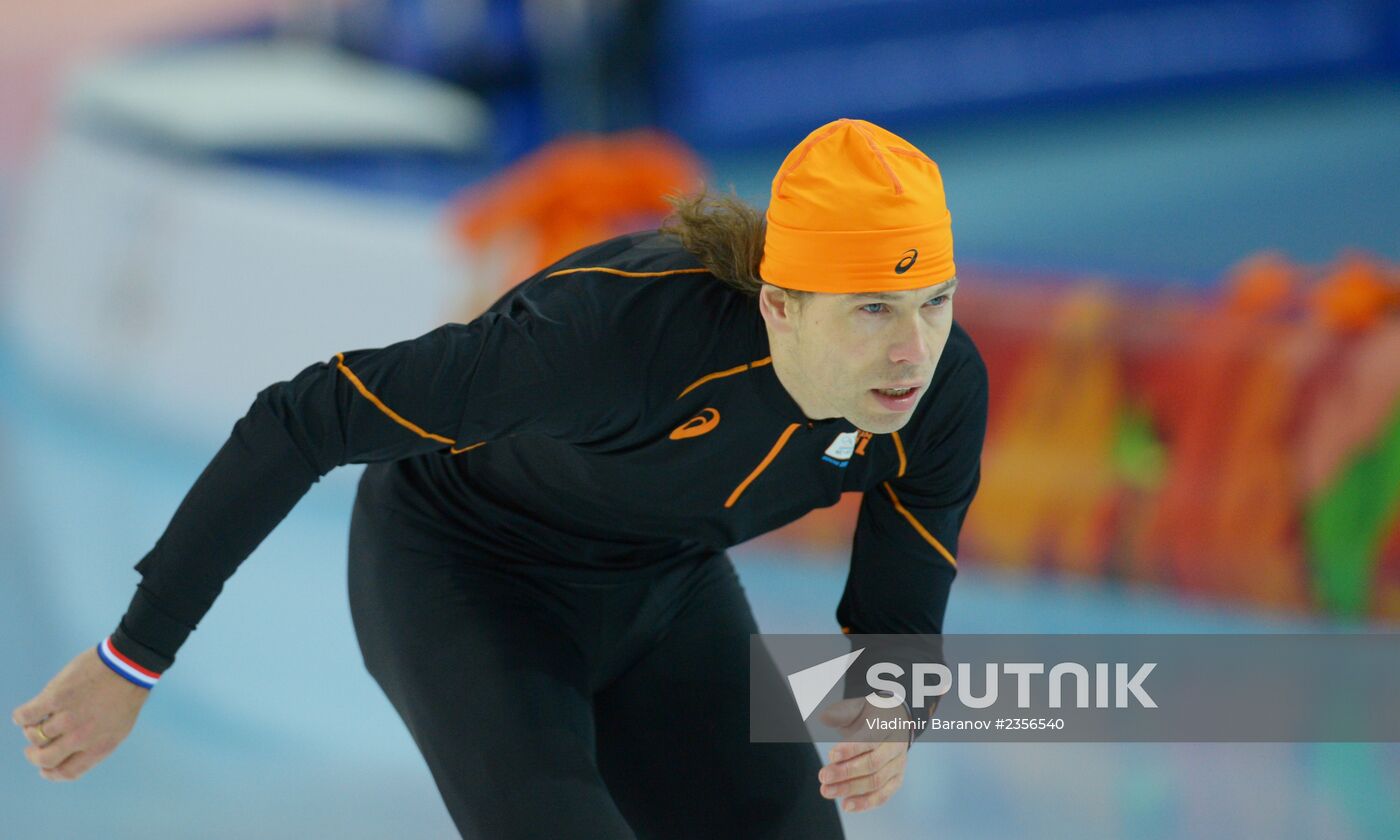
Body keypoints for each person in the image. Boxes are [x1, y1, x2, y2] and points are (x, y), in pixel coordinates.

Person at [13, 118, 988, 839]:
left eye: (931, 302)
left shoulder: (938, 389)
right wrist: (133, 657)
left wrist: (889, 712)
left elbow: (902, 584)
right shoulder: (605, 343)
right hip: (467, 574)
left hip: (665, 582)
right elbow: (303, 417)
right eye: (871, 310)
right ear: (780, 306)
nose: (910, 351)